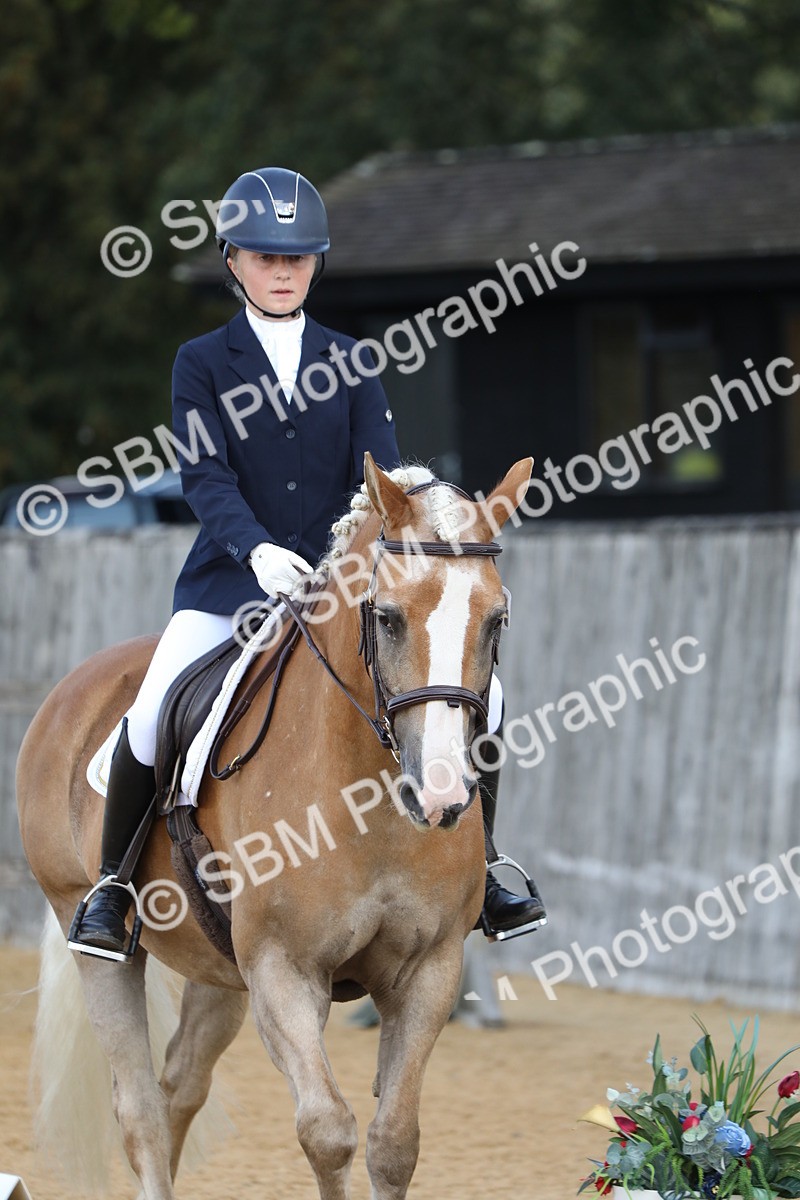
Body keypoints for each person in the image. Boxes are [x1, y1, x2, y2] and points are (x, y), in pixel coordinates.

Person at [71, 167, 546, 957]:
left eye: (296, 258)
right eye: (265, 257)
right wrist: (255, 549)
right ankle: (113, 888)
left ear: (316, 263)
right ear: (233, 261)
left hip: (342, 591)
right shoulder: (201, 362)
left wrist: (416, 516)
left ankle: (487, 865)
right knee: (152, 712)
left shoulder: (353, 360)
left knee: (486, 698)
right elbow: (204, 476)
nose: (282, 271)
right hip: (231, 584)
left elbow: (382, 477)